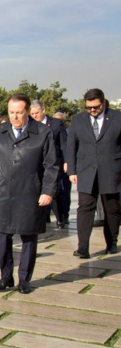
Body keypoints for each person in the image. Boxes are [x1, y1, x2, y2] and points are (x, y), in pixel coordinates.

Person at [0, 93, 57, 294]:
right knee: (2, 235)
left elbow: (51, 166)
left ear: (27, 112)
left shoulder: (43, 133)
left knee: (28, 237)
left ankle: (24, 279)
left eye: (19, 112)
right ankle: (5, 276)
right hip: (4, 192)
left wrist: (48, 191)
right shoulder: (0, 132)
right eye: (11, 112)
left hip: (30, 192)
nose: (14, 117)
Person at [67, 89, 121, 258]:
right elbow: (71, 147)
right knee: (85, 208)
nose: (92, 110)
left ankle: (111, 242)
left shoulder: (117, 118)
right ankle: (83, 247)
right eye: (89, 107)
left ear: (103, 103)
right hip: (86, 170)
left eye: (95, 107)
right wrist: (72, 170)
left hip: (112, 170)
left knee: (111, 209)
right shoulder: (78, 120)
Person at [30, 100, 68, 227]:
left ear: (43, 110)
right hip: (36, 163)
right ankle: (42, 218)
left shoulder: (56, 124)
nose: (34, 116)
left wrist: (67, 161)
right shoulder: (30, 125)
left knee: (54, 191)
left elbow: (64, 144)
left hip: (53, 163)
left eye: (37, 113)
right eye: (32, 113)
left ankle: (60, 218)